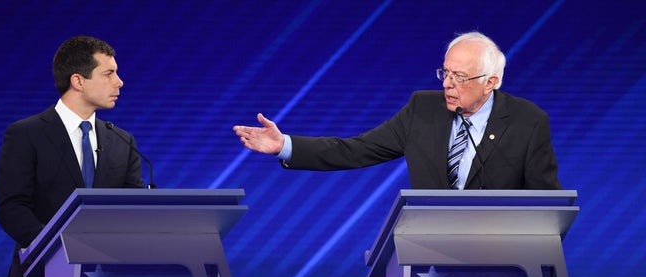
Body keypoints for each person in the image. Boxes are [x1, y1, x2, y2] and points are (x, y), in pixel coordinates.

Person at [233, 31, 561, 190]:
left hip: (506, 266)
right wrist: (284, 145)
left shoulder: (527, 122)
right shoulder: (423, 110)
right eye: (445, 73)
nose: (447, 83)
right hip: (430, 261)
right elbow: (355, 150)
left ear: (491, 82)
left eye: (459, 77)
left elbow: (548, 205)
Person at [0, 36, 145, 277]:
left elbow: (133, 211)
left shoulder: (122, 140)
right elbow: (12, 207)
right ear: (77, 80)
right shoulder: (26, 134)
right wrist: (58, 253)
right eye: (108, 74)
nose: (120, 82)